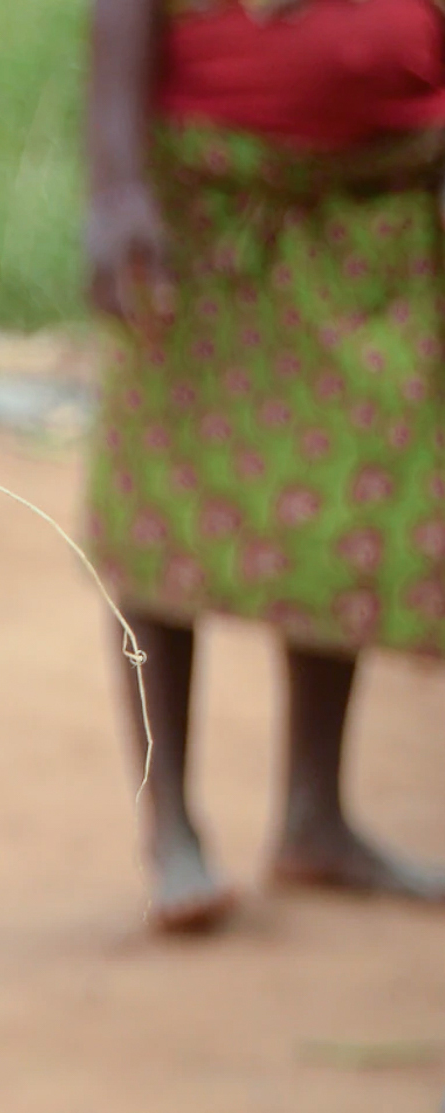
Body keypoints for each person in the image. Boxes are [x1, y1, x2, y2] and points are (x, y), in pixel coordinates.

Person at [87, 0, 445, 932]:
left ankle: (313, 815)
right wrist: (116, 182)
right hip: (205, 212)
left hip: (382, 213)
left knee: (344, 502)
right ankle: (171, 828)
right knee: (163, 503)